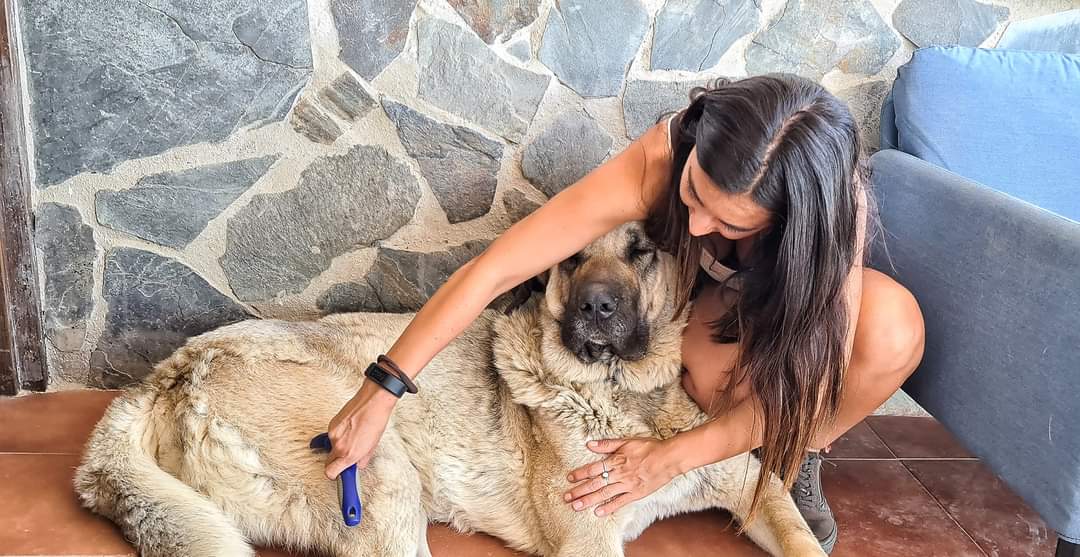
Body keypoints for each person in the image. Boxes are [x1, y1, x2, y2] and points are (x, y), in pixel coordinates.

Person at [324, 73, 926, 553]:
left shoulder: (830, 216)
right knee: (716, 386)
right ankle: (750, 433)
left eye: (728, 224)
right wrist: (383, 389)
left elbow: (814, 375)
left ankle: (797, 451)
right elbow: (495, 270)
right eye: (693, 195)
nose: (695, 228)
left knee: (890, 328)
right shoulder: (659, 158)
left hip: (778, 312)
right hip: (701, 314)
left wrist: (670, 458)